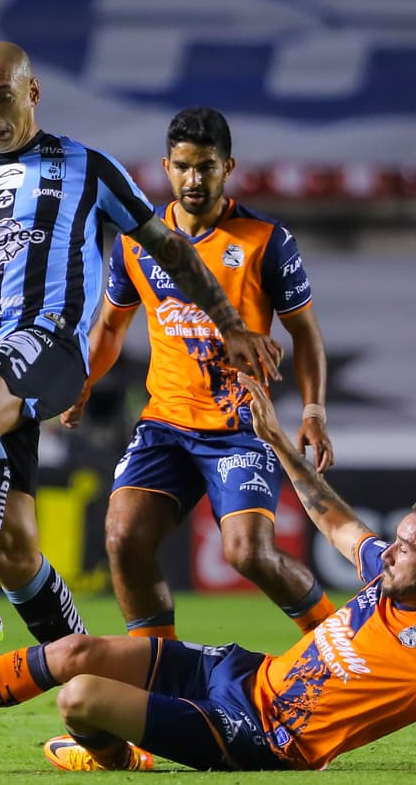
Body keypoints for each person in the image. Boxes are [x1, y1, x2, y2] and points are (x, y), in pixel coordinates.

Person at [0, 43, 281, 674]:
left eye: (3, 96)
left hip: (52, 344)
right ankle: (100, 690)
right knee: (15, 555)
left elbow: (170, 249)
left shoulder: (86, 168)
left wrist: (230, 322)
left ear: (32, 92)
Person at [0, 374, 416, 775]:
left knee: (79, 698)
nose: (389, 552)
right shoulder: (387, 573)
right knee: (74, 652)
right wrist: (275, 440)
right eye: (396, 540)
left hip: (263, 736)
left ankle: (117, 757)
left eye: (406, 547)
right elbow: (336, 521)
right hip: (245, 674)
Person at [61, 107, 336, 639]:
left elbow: (304, 332)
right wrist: (84, 382)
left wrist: (314, 411)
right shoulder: (136, 241)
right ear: (166, 167)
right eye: (183, 166)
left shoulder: (264, 240)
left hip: (239, 426)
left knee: (247, 553)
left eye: (206, 167)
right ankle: (160, 667)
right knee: (123, 538)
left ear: (227, 167)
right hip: (165, 424)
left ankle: (340, 646)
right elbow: (111, 327)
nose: (193, 179)